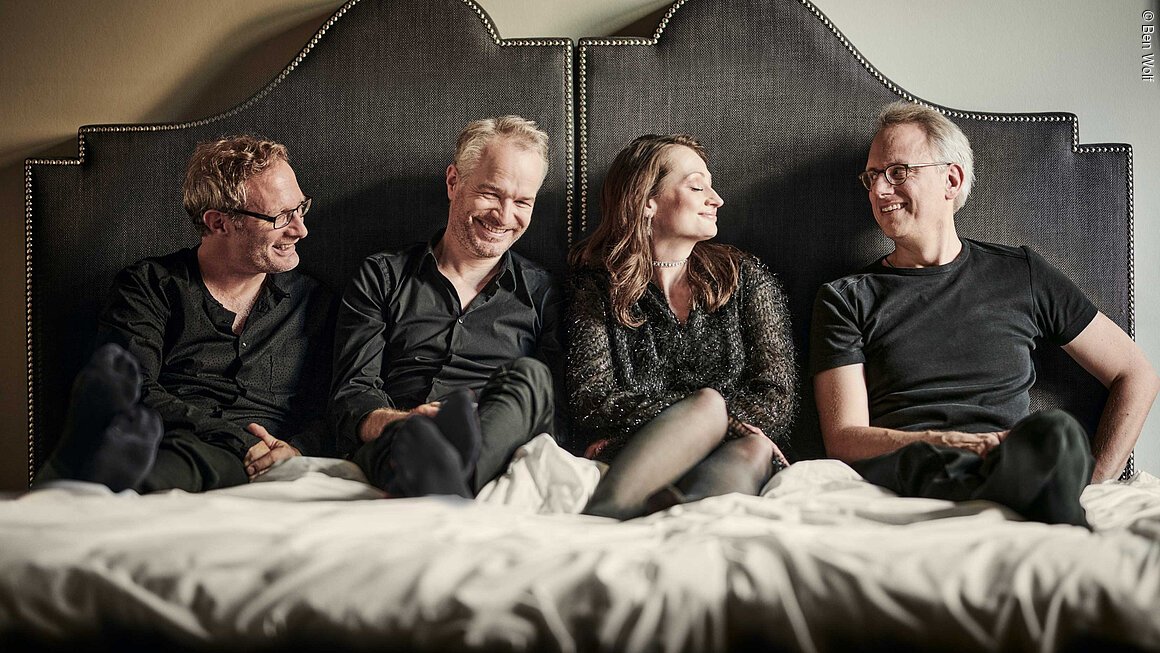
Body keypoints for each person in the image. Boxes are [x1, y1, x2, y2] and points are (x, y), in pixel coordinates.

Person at [811, 101, 1160, 526]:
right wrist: (955, 442)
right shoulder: (846, 298)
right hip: (915, 465)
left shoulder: (1022, 273)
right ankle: (1048, 515)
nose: (879, 190)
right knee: (934, 461)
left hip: (1014, 461)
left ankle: (1056, 502)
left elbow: (1136, 373)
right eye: (872, 177)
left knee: (1057, 432)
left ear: (951, 180)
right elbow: (845, 440)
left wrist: (1097, 482)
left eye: (897, 172)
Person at [36, 135, 333, 492]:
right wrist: (236, 439)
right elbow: (133, 387)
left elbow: (336, 404)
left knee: (179, 463)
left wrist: (297, 449)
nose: (300, 229)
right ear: (219, 223)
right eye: (281, 216)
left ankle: (88, 478)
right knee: (150, 438)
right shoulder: (149, 286)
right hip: (165, 439)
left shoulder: (313, 302)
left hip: (251, 459)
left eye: (300, 208)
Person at [567, 134, 798, 521]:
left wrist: (718, 425)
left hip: (737, 450)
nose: (716, 199)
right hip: (643, 455)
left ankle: (671, 526)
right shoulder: (596, 287)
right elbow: (593, 398)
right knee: (709, 405)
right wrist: (712, 417)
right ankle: (607, 518)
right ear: (647, 201)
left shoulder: (745, 278)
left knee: (755, 447)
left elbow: (776, 397)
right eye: (696, 186)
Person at [330, 115, 562, 499]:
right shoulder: (382, 276)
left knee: (532, 376)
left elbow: (548, 414)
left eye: (522, 201)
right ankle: (450, 476)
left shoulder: (541, 291)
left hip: (495, 438)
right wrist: (403, 420)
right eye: (491, 193)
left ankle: (453, 474)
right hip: (403, 438)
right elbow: (353, 394)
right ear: (454, 182)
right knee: (414, 437)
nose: (504, 216)